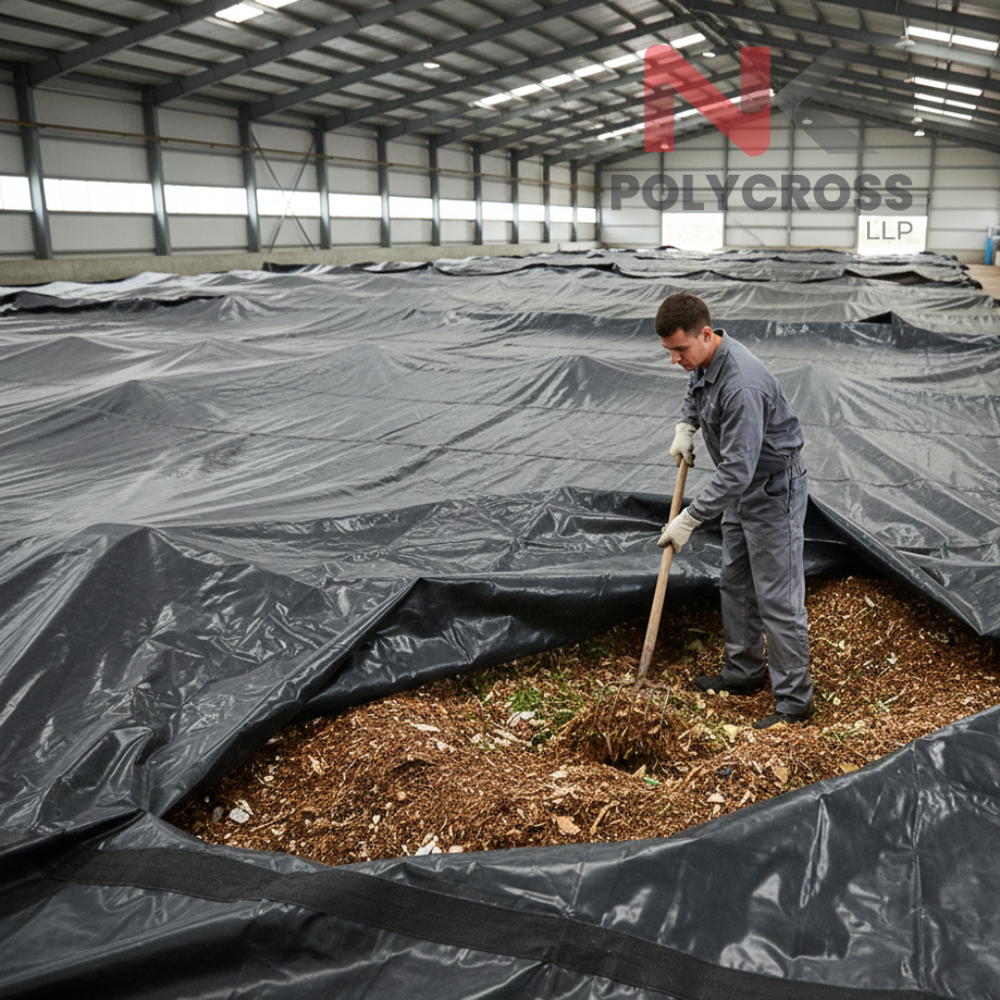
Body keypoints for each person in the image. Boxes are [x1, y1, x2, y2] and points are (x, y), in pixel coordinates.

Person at [654, 292, 813, 730]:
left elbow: (739, 470)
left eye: (680, 349)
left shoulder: (742, 384)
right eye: (668, 351)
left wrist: (690, 518)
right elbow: (695, 384)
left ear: (706, 334)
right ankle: (744, 672)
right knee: (736, 582)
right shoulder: (707, 359)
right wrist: (686, 423)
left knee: (777, 597)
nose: (674, 360)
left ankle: (795, 703)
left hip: (769, 489)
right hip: (742, 488)